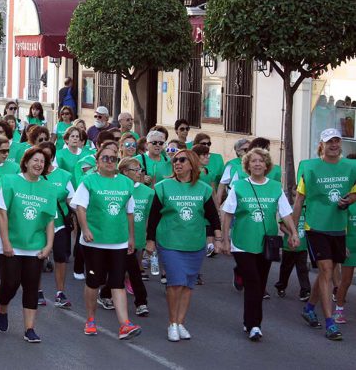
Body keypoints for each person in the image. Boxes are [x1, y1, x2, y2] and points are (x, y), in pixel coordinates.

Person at [220, 147, 299, 342]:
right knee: (254, 283)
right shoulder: (239, 186)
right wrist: (225, 240)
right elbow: (227, 214)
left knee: (260, 282)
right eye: (253, 161)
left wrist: (294, 233)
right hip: (242, 243)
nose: (257, 164)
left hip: (267, 243)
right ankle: (255, 324)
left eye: (261, 161)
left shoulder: (274, 187)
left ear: (267, 165)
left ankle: (251, 322)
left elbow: (286, 213)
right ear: (247, 165)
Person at [146, 149, 221, 342]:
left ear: (192, 164)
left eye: (182, 160)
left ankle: (180, 323)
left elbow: (212, 216)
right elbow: (154, 216)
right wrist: (150, 240)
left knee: (188, 285)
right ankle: (172, 323)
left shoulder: (203, 188)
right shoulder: (163, 187)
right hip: (170, 242)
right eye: (175, 160)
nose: (177, 163)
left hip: (195, 243)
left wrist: (218, 239)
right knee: (176, 282)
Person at [293, 128, 356, 341]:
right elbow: (300, 200)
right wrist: (294, 230)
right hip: (316, 227)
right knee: (327, 270)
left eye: (337, 141)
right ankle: (330, 323)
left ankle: (310, 307)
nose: (334, 145)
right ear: (322, 144)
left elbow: (355, 190)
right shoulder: (310, 168)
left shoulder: (351, 167)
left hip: (338, 227)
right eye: (330, 142)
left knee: (325, 273)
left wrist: (351, 199)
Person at [73, 144, 142, 340]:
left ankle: (124, 325)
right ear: (97, 161)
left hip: (118, 241)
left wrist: (131, 238)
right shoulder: (89, 181)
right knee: (94, 282)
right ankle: (91, 319)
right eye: (105, 158)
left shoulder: (126, 183)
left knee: (117, 282)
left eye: (113, 158)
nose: (110, 161)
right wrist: (85, 229)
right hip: (94, 242)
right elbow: (80, 208)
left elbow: (129, 213)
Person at [0, 147, 56, 343]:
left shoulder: (49, 188)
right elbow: (2, 213)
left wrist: (48, 246)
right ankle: (2, 308)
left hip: (35, 244)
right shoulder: (10, 181)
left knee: (31, 286)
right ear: (26, 162)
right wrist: (5, 242)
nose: (38, 164)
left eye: (42, 162)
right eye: (35, 160)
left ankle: (29, 328)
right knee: (10, 283)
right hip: (11, 242)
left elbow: (49, 220)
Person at [37, 142, 75, 309]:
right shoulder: (32, 175)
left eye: (47, 155)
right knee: (38, 258)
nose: (43, 160)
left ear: (52, 156)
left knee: (60, 257)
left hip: (59, 224)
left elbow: (72, 200)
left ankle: (60, 292)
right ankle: (36, 291)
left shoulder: (64, 176)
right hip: (37, 224)